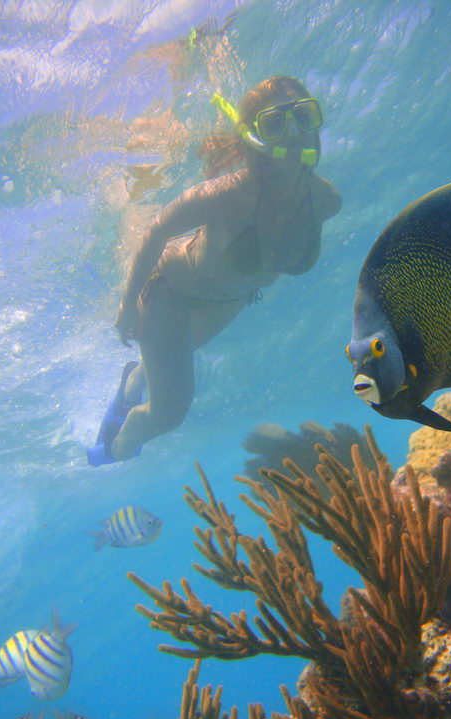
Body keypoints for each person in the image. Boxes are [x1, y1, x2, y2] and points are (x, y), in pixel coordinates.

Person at [87, 76, 341, 466]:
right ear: (255, 138)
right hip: (167, 292)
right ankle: (112, 452)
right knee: (169, 413)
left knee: (172, 357)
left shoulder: (325, 201)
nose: (296, 133)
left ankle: (133, 379)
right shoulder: (228, 195)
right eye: (276, 123)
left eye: (304, 115)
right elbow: (155, 232)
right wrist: (125, 309)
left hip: (229, 301)